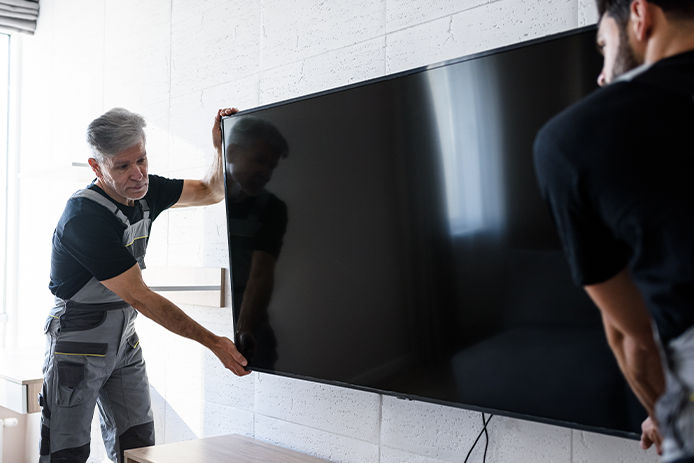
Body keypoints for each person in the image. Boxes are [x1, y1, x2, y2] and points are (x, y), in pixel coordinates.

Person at [40, 107, 251, 463]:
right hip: (76, 345)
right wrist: (214, 342)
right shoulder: (84, 218)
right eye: (122, 166)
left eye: (141, 159)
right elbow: (141, 296)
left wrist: (220, 147)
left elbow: (213, 192)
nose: (138, 174)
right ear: (97, 167)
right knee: (67, 453)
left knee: (139, 449)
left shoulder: (146, 191)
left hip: (123, 342)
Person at [534, 1, 694, 461]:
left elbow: (633, 336)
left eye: (604, 46)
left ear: (640, 16)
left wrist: (665, 409)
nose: (602, 76)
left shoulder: (578, 137)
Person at [223, 116, 289, 368]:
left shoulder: (272, 208)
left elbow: (261, 273)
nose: (265, 172)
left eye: (271, 166)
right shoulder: (212, 197)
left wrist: (243, 331)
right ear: (232, 153)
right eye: (259, 160)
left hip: (251, 324)